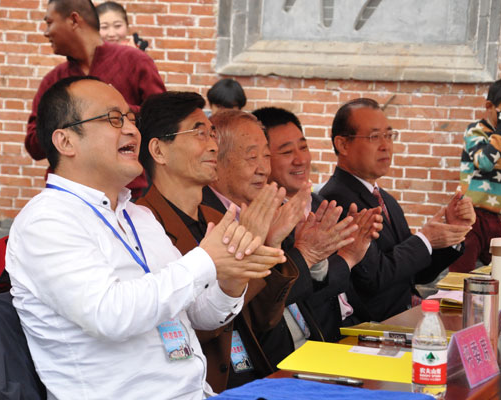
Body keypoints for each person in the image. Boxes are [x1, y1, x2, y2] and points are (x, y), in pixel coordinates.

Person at [6, 76, 285, 399]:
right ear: (66, 142)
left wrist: (231, 280)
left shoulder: (137, 216)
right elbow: (110, 314)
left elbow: (198, 314)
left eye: (130, 118)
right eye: (113, 119)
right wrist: (205, 261)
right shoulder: (47, 221)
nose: (131, 130)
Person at [136, 91, 299, 391]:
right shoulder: (143, 225)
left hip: (253, 373)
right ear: (159, 150)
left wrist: (269, 245)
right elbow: (182, 326)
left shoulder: (219, 216)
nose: (213, 145)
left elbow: (261, 319)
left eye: (212, 134)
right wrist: (243, 254)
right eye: (199, 134)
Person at [202, 110, 381, 368]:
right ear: (216, 161)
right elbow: (253, 312)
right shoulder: (212, 222)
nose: (263, 169)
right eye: (252, 157)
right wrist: (306, 255)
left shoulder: (277, 210)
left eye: (266, 156)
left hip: (316, 348)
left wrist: (316, 256)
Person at [320, 98, 475, 322]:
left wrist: (450, 232)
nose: (386, 146)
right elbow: (373, 278)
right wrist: (425, 239)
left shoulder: (386, 200)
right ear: (343, 144)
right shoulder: (336, 201)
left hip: (406, 315)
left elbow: (415, 273)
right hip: (374, 326)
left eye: (389, 135)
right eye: (374, 137)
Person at [252, 106, 382, 343]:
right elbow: (300, 295)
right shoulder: (266, 220)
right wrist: (346, 258)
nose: (300, 160)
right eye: (286, 152)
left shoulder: (320, 202)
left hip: (353, 327)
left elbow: (370, 279)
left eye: (303, 147)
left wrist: (359, 245)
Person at [25, 0, 165, 197]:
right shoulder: (54, 80)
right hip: (69, 195)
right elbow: (33, 146)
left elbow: (164, 121)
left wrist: (118, 114)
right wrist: (71, 122)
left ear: (74, 20)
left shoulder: (135, 62)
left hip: (127, 194)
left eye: (49, 23)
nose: (46, 32)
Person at [449, 78, 501, 272]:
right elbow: (485, 163)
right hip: (469, 215)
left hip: (493, 218)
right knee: (461, 270)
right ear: (489, 106)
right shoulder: (476, 131)